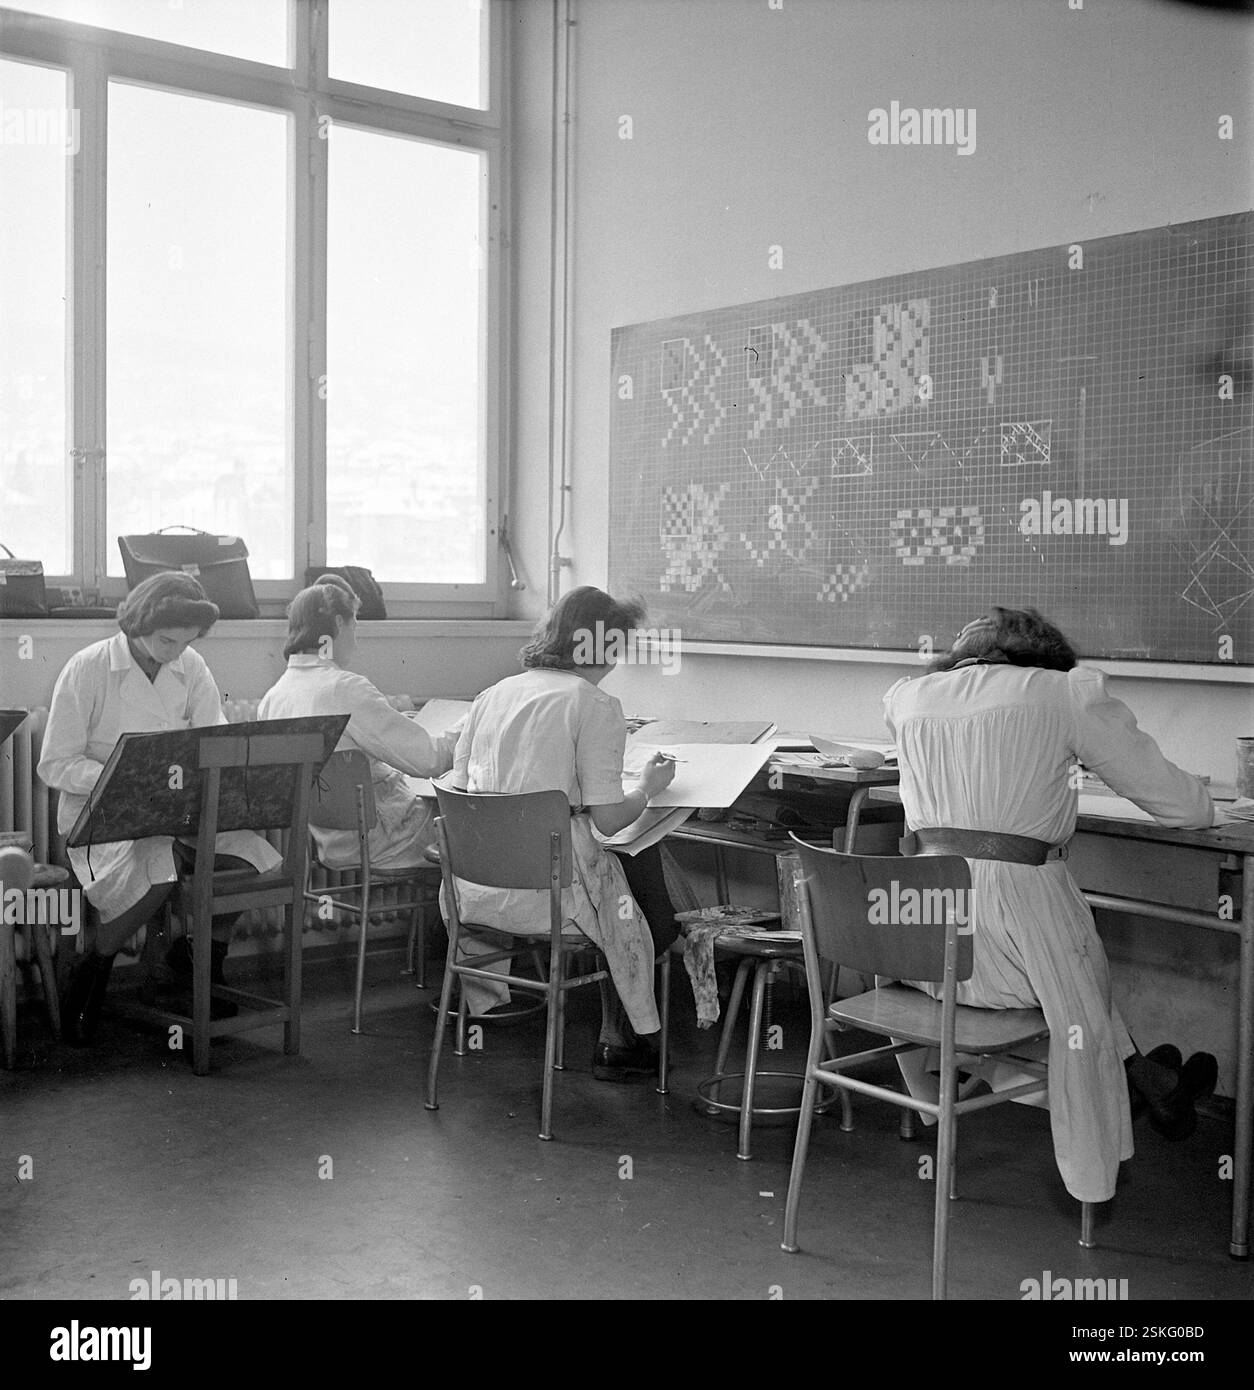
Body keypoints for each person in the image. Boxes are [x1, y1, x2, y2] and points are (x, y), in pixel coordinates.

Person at [881, 606, 1217, 1207]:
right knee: (1069, 954)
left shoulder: (907, 699)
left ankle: (1149, 1079)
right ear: (1045, 654)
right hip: (1015, 965)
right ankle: (1138, 1084)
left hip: (923, 952)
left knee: (1065, 952)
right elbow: (1186, 808)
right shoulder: (1064, 693)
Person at [446, 586, 680, 1081]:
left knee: (631, 881)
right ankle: (622, 1042)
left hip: (476, 892)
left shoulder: (493, 695)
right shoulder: (593, 703)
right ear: (598, 646)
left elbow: (461, 788)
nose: (616, 661)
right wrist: (648, 788)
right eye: (615, 647)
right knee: (655, 910)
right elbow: (610, 821)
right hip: (555, 897)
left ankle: (619, 1037)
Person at [38, 572, 283, 1045]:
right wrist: (122, 777)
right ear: (136, 623)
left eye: (186, 642)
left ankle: (197, 962)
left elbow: (217, 739)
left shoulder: (191, 667)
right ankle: (95, 968)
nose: (175, 653)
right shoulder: (88, 668)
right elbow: (54, 764)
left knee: (256, 863)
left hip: (180, 812)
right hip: (105, 816)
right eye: (167, 640)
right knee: (160, 868)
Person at [258, 576, 457, 871]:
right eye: (355, 626)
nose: (356, 639)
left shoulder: (273, 699)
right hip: (384, 839)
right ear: (339, 624)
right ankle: (457, 917)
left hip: (329, 843)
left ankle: (437, 918)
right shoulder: (344, 688)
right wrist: (471, 725)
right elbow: (430, 761)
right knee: (475, 827)